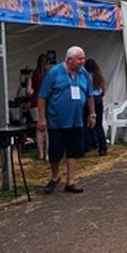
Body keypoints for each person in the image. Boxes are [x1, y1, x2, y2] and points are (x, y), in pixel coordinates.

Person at [38, 46, 96, 194]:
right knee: (55, 151)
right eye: (79, 59)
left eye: (83, 58)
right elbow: (42, 97)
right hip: (57, 121)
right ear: (69, 60)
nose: (82, 61)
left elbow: (90, 95)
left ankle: (70, 181)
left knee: (74, 151)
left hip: (76, 120)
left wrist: (92, 114)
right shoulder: (55, 73)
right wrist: (42, 118)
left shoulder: (83, 74)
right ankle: (55, 176)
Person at [27, 54, 51, 161]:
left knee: (39, 129)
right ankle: (47, 154)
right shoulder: (48, 75)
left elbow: (29, 91)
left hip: (34, 103)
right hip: (46, 103)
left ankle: (40, 153)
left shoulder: (32, 74)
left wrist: (33, 91)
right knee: (47, 130)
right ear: (46, 63)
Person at [83, 59, 108, 156]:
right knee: (99, 125)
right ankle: (102, 147)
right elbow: (103, 89)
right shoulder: (99, 76)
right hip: (98, 99)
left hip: (89, 99)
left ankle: (87, 146)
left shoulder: (86, 76)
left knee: (85, 123)